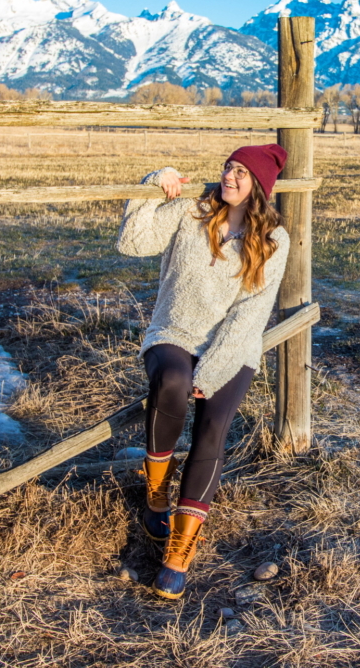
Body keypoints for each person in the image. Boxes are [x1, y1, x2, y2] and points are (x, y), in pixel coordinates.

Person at [115, 143, 289, 600]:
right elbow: (132, 243)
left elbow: (251, 314)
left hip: (232, 348)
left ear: (260, 188)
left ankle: (179, 552)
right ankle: (155, 496)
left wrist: (210, 374)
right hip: (173, 331)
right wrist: (155, 184)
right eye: (228, 167)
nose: (229, 177)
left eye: (241, 173)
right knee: (171, 380)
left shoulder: (275, 240)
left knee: (212, 429)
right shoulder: (193, 211)